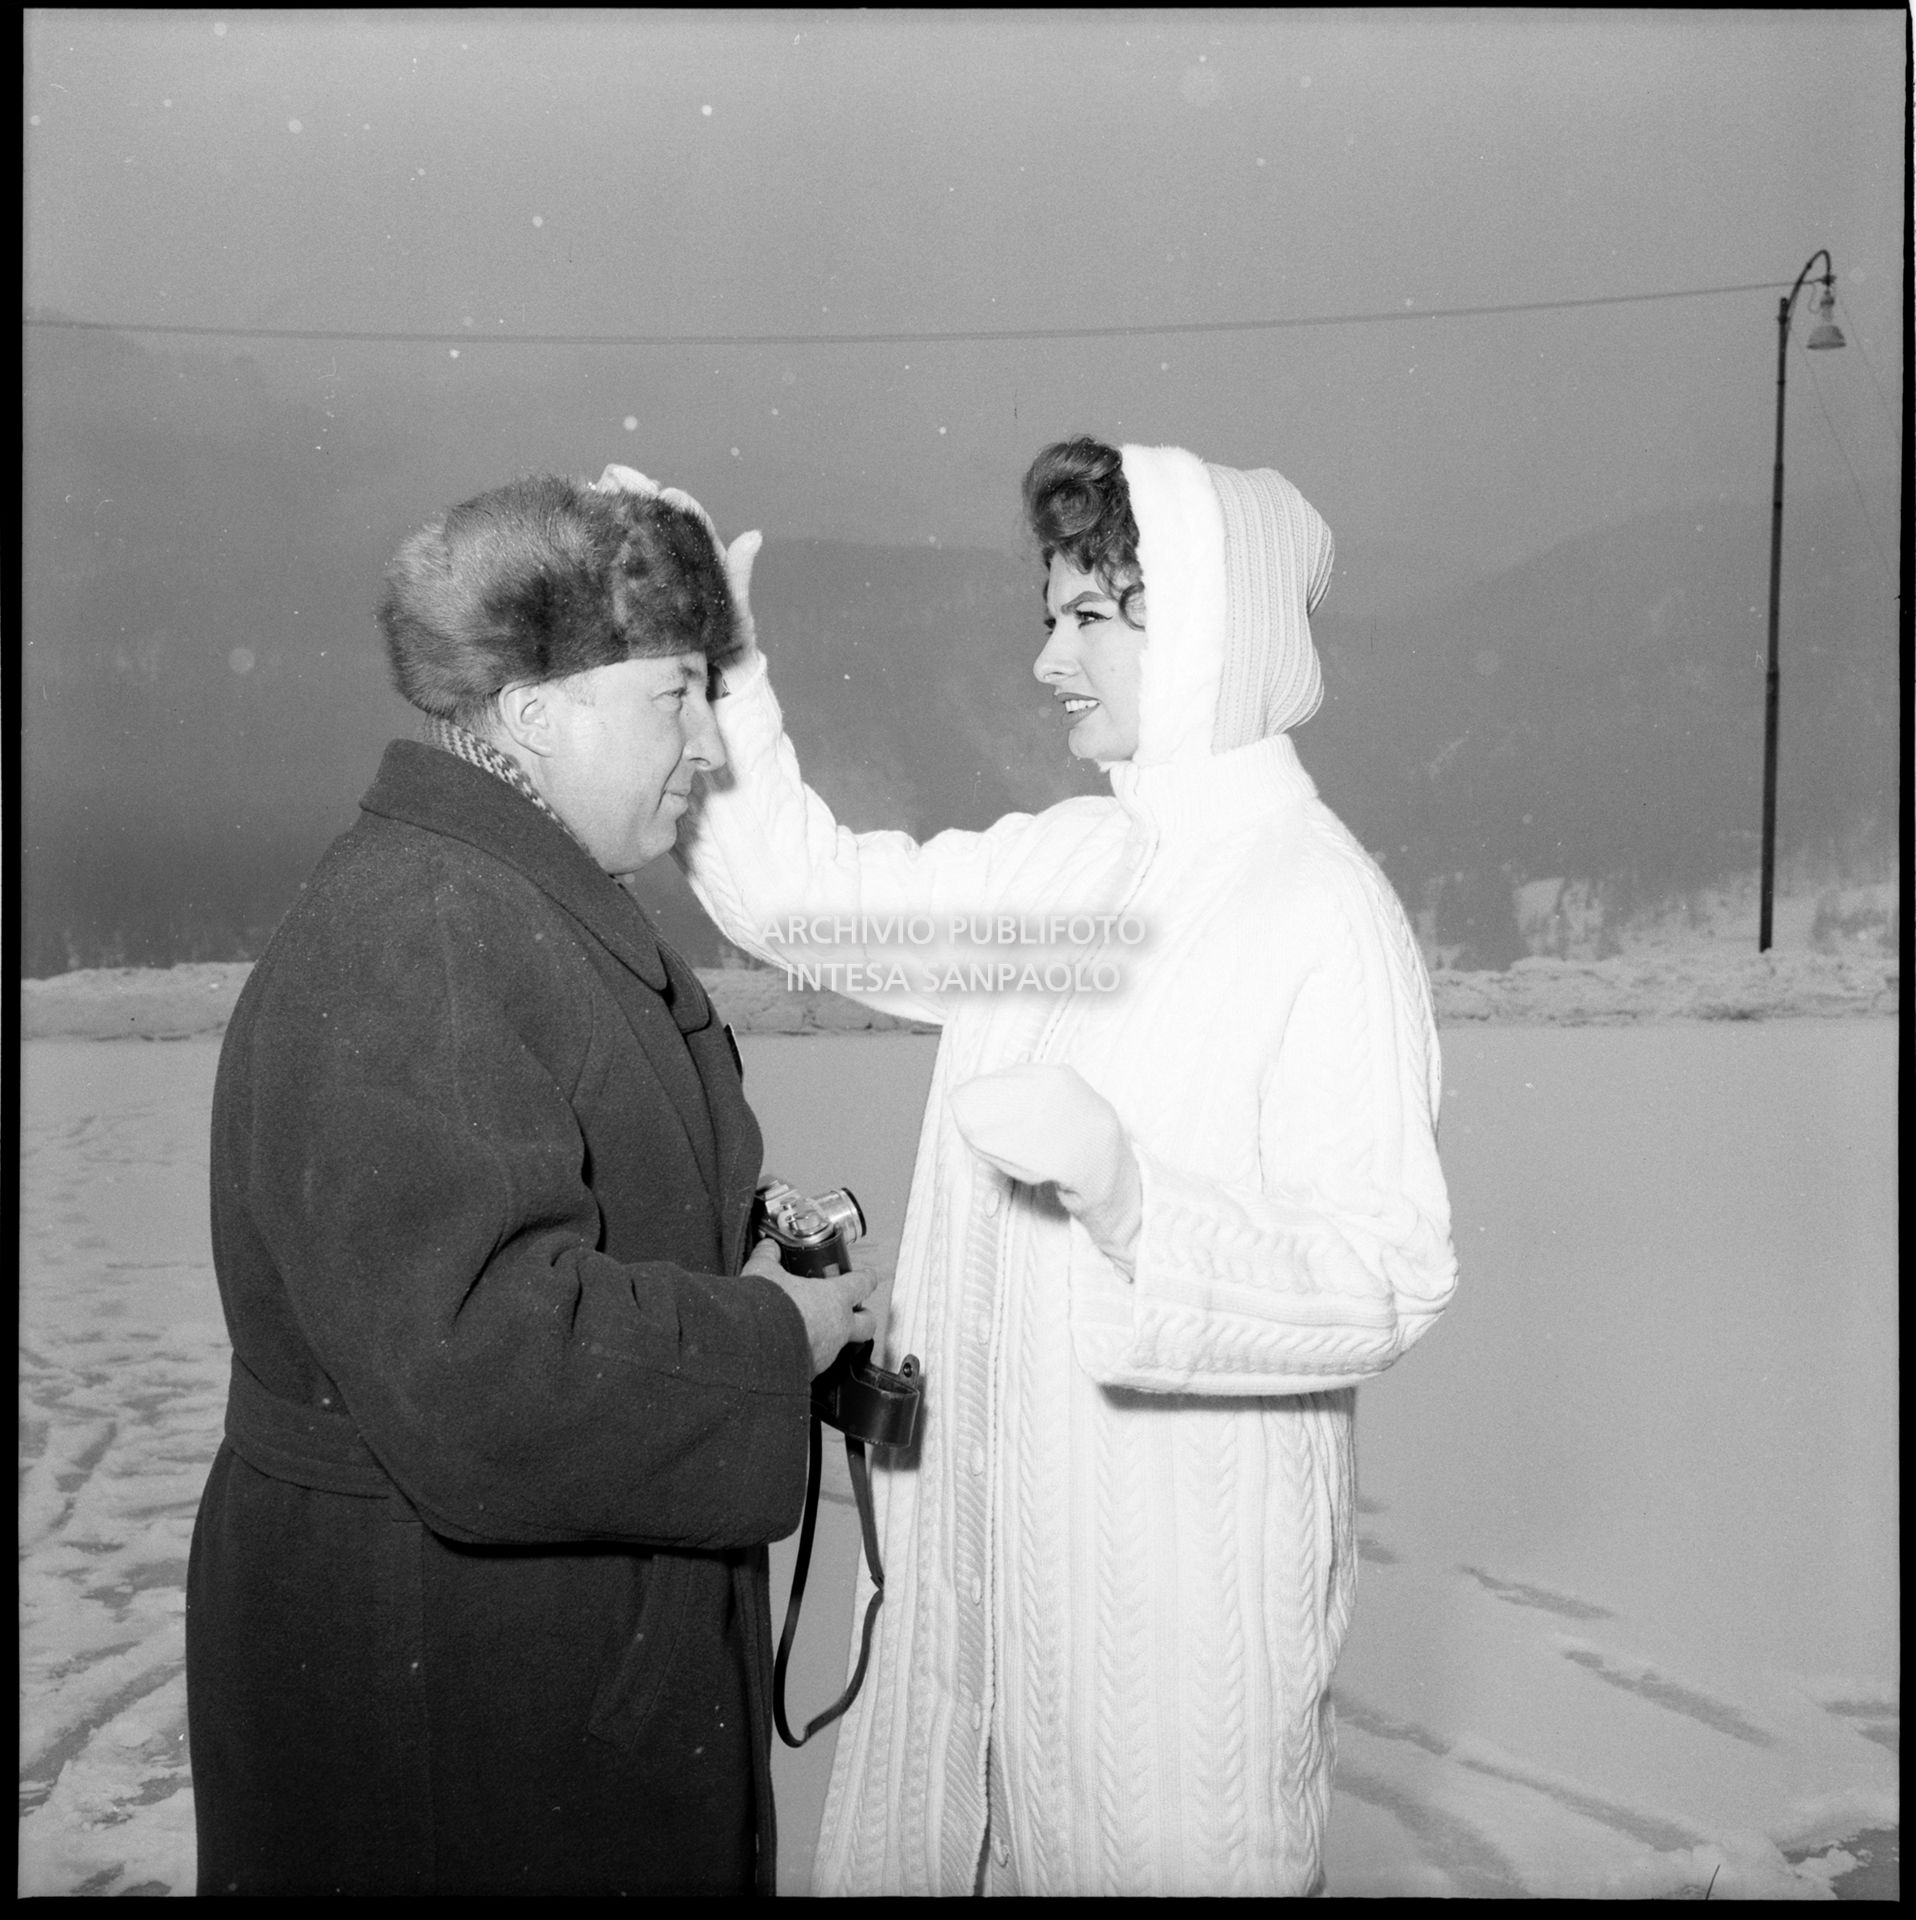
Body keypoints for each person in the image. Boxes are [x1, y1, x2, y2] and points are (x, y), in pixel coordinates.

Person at [645, 437, 1458, 1896]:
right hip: (977, 1588)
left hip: (1169, 1642)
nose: (1047, 659)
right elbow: (809, 902)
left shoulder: (1319, 907)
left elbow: (1389, 1275)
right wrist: (724, 674)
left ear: (1206, 628)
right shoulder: (1074, 874)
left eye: (1091, 616)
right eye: (1052, 613)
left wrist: (1136, 1200)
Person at [184, 472, 878, 1896]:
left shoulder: (504, 899)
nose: (709, 751)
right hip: (458, 1712)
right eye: (673, 697)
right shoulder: (430, 930)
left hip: (518, 1664)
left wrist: (726, 1235)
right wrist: (767, 1338)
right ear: (533, 706)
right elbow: (483, 1369)